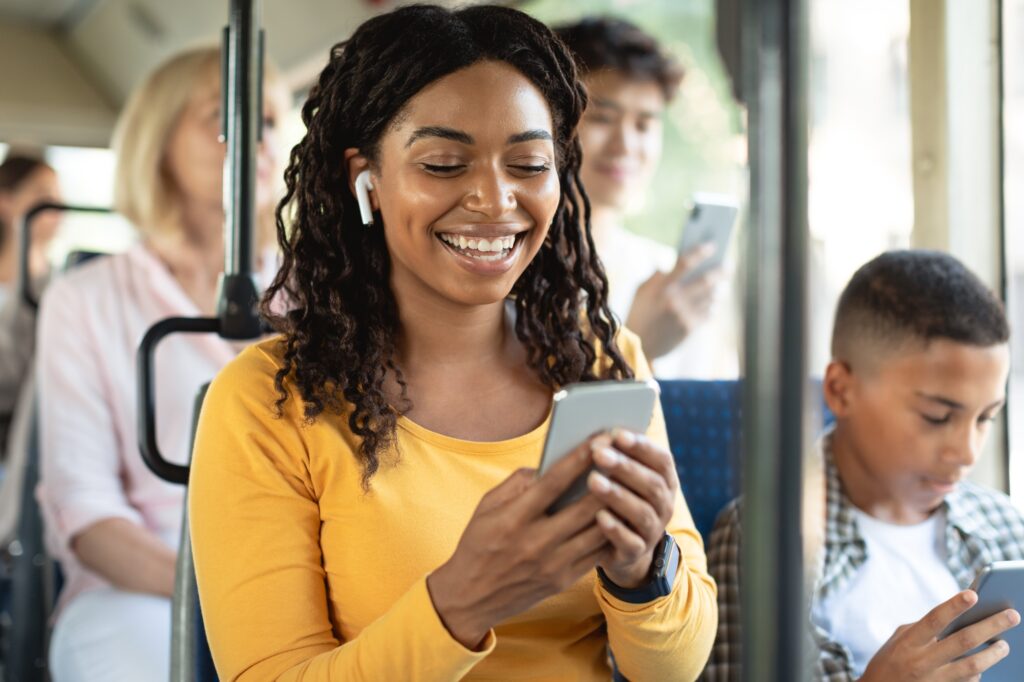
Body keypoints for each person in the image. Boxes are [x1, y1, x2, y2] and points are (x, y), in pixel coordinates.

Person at [189, 5, 717, 681]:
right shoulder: (266, 400)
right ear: (365, 178)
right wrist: (462, 602)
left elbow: (673, 669)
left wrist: (643, 573)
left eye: (528, 163)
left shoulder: (600, 360)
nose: (496, 201)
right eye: (443, 164)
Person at [35, 46, 287, 682]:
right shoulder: (86, 299)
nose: (256, 141)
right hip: (141, 592)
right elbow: (86, 511)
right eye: (224, 119)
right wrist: (221, 598)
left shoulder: (318, 291)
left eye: (270, 121)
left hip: (300, 582)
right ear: (160, 140)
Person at [703, 250, 1024, 680]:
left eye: (985, 418)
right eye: (936, 417)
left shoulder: (1005, 526)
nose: (966, 453)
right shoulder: (766, 537)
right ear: (840, 390)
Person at [555, 17, 736, 379]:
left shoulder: (670, 282)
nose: (626, 145)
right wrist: (636, 344)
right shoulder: (510, 274)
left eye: (644, 124)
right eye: (602, 118)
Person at [0, 155, 61, 458]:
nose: (56, 207)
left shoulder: (63, 289)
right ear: (6, 201)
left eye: (58, 196)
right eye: (42, 194)